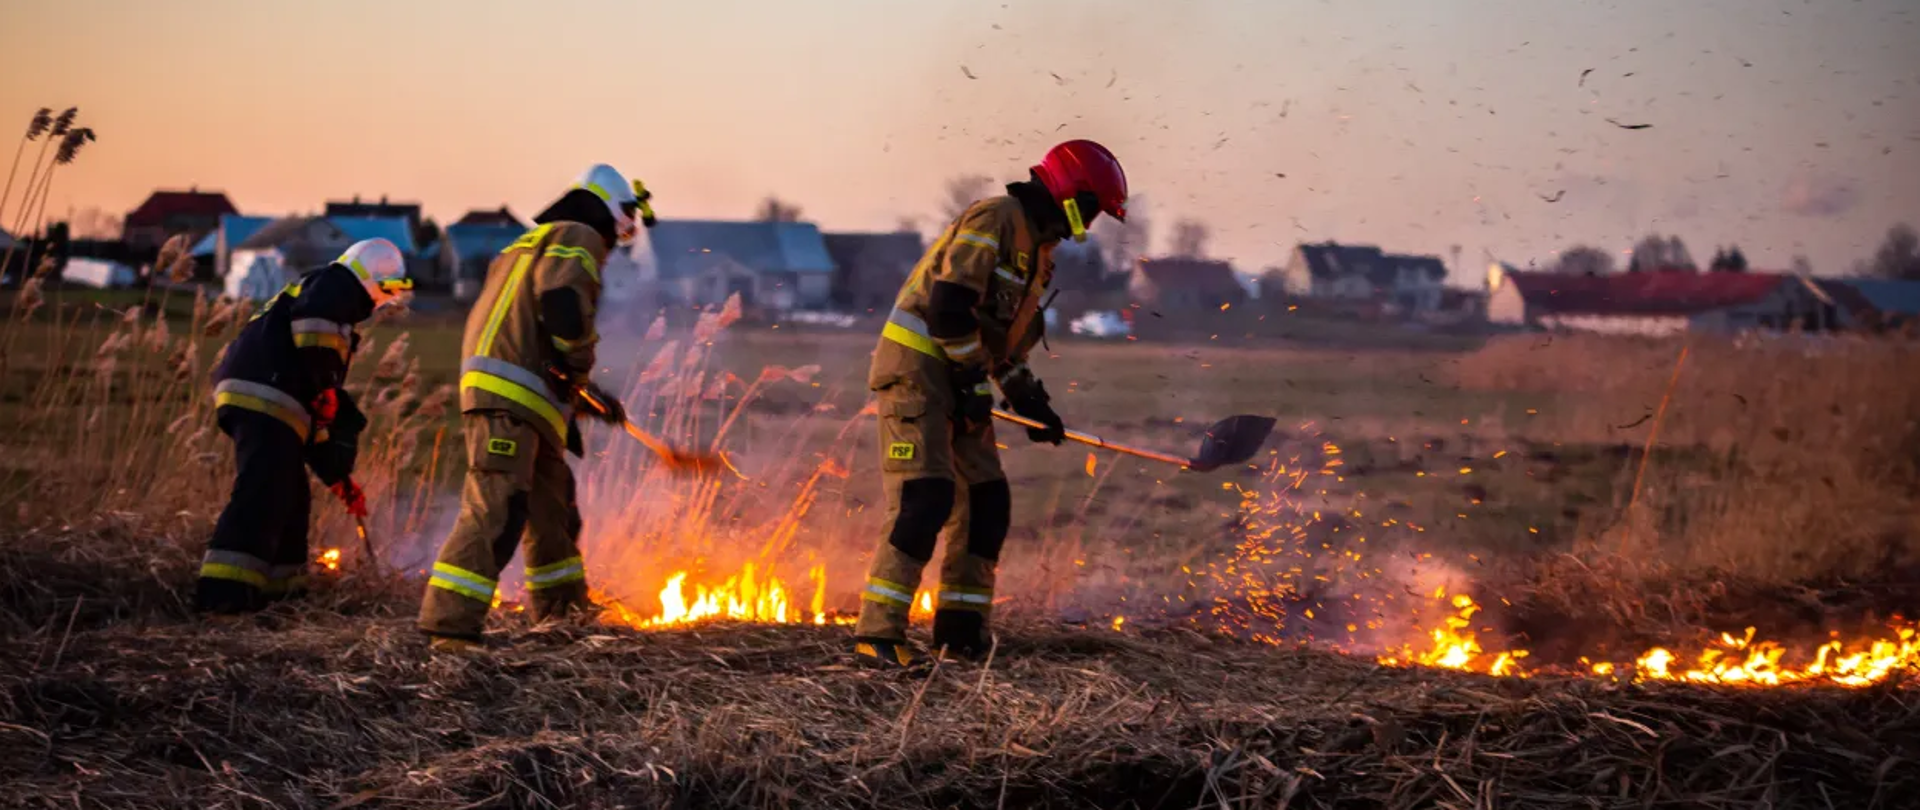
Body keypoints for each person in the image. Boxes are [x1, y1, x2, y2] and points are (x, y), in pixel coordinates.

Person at [853, 139, 1129, 667]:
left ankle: (960, 635)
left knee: (986, 502)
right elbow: (948, 308)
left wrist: (1032, 402)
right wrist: (973, 383)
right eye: (1093, 210)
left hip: (961, 379)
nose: (1090, 225)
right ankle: (877, 637)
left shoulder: (1039, 257)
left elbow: (1001, 343)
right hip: (918, 373)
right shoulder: (996, 218)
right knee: (926, 496)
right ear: (1072, 193)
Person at [417, 164, 656, 653]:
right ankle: (450, 627)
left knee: (553, 511)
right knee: (497, 505)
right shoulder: (578, 234)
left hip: (525, 398)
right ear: (610, 210)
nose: (618, 241)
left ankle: (562, 615)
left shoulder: (524, 245)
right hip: (510, 398)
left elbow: (529, 330)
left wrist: (583, 396)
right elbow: (562, 304)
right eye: (624, 224)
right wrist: (577, 364)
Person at [197, 238, 412, 614]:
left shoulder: (330, 302)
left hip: (273, 398)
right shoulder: (334, 284)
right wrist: (329, 384)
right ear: (373, 277)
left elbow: (317, 426)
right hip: (265, 391)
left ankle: (283, 596)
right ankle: (221, 597)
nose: (384, 302)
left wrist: (340, 480)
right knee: (263, 492)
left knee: (292, 496)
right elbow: (314, 335)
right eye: (388, 289)